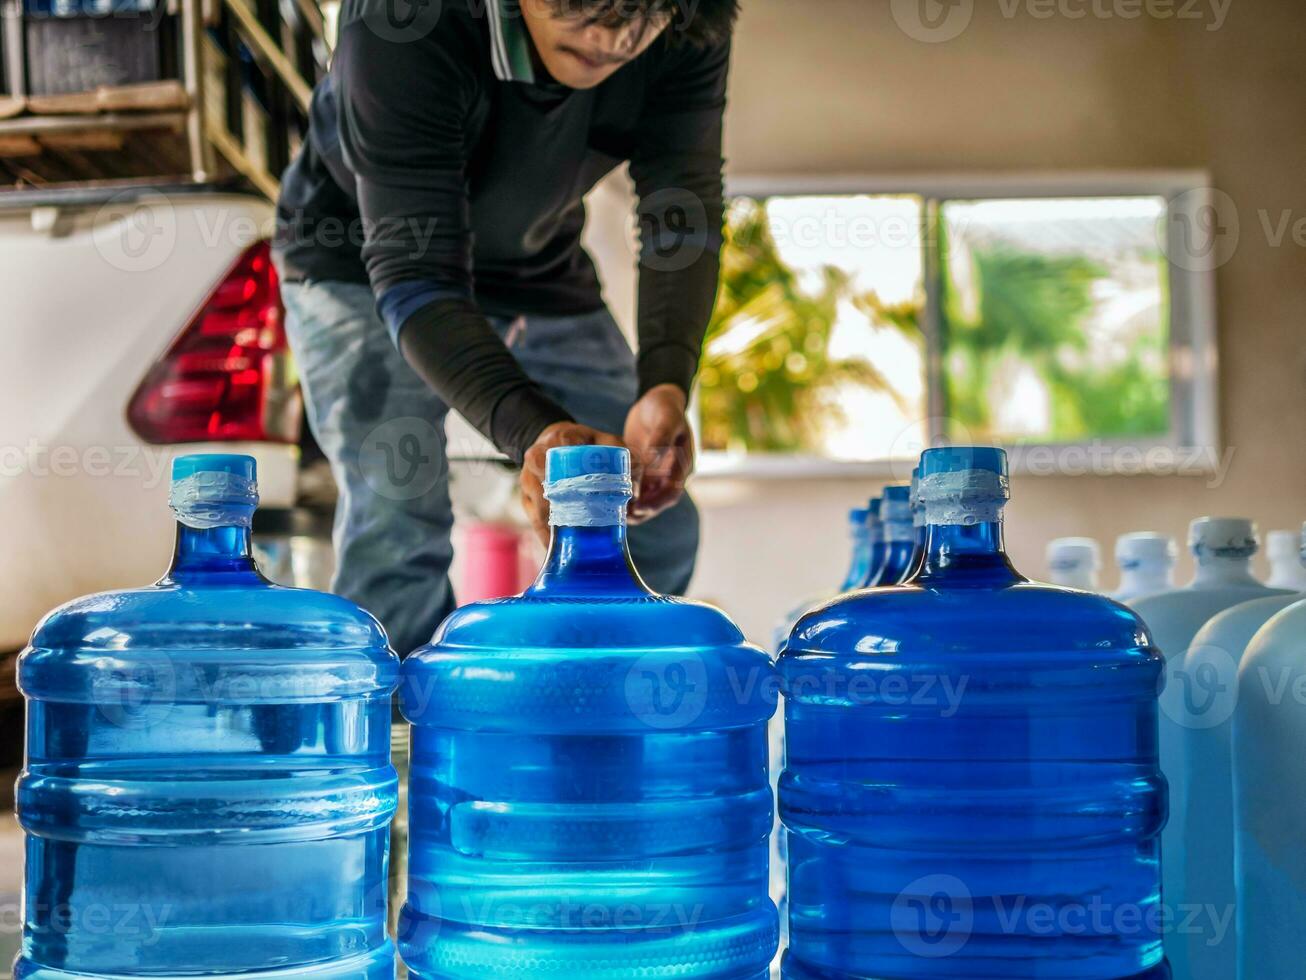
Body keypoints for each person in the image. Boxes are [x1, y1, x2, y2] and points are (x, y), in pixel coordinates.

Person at [273, 0, 736, 654]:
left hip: (532, 263)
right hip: (361, 257)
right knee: (399, 523)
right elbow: (418, 276)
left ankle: (595, 709)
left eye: (643, 17)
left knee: (649, 514)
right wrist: (536, 431)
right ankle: (408, 738)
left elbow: (681, 215)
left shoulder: (688, 21)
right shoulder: (402, 20)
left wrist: (665, 382)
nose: (614, 37)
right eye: (589, 4)